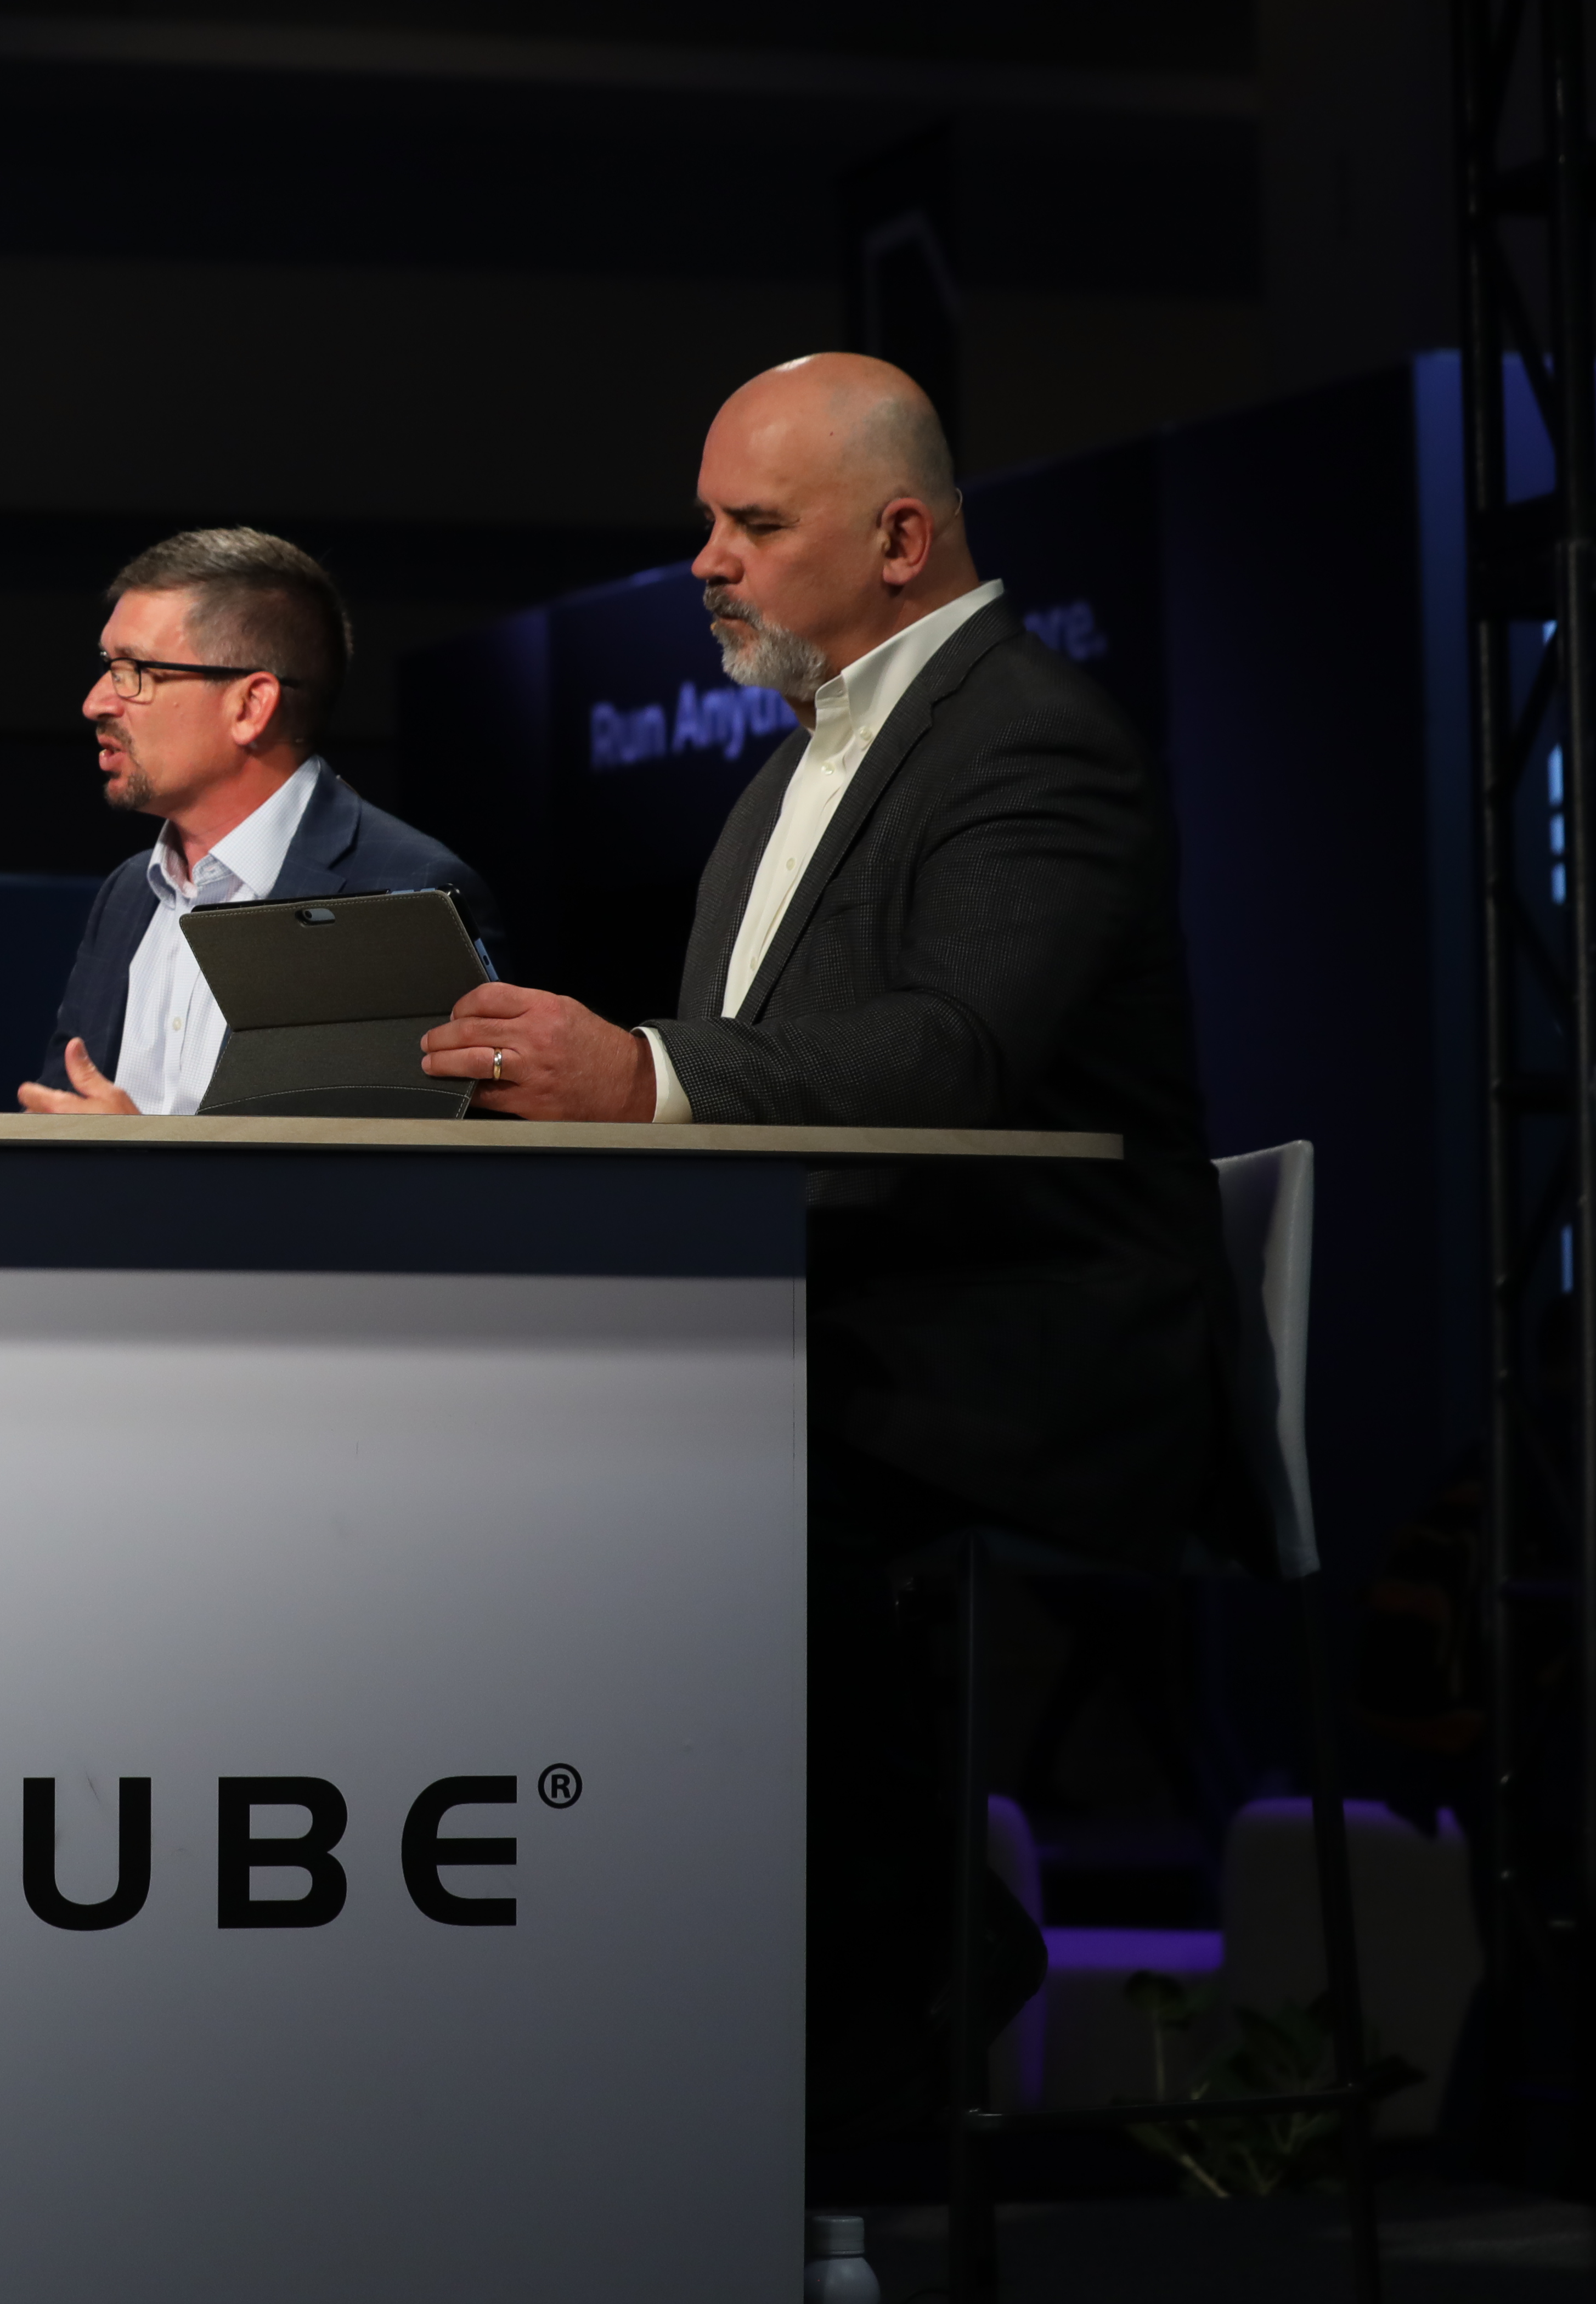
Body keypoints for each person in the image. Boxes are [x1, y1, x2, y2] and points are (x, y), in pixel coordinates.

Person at [421, 353, 1243, 2131]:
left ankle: (865, 2024)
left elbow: (954, 1056)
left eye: (753, 523)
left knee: (712, 1480)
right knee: (550, 1436)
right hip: (849, 1331)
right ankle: (786, 1991)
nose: (706, 560)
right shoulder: (790, 769)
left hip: (1017, 1354)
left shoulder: (1032, 741)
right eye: (706, 521)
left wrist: (639, 1078)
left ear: (899, 538)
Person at [0, 528, 497, 1114]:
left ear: (250, 705)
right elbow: (58, 1135)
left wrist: (138, 1164)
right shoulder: (129, 894)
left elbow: (406, 1180)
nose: (95, 701)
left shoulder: (412, 895)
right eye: (107, 665)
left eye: (133, 672)